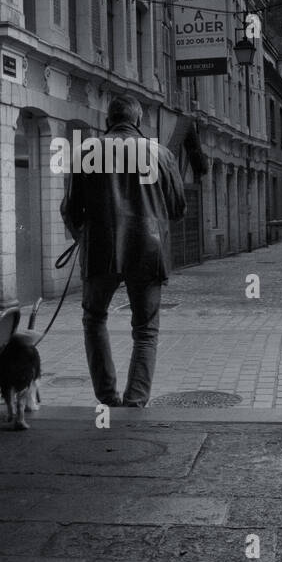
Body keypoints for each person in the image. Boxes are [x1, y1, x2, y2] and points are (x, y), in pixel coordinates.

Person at [60, 93, 186, 408]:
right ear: (137, 121)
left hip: (101, 250)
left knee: (94, 318)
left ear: (109, 120)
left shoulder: (86, 152)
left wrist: (83, 236)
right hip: (147, 249)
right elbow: (177, 208)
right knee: (145, 330)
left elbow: (71, 211)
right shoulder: (160, 154)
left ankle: (107, 396)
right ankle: (136, 399)